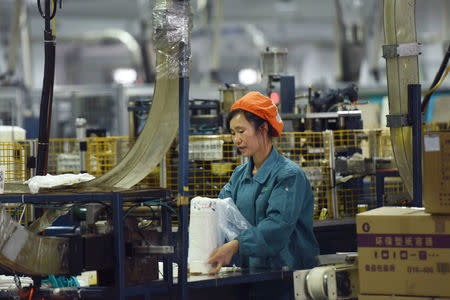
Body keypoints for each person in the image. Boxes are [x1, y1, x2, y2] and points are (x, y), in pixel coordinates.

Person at [208, 91, 319, 279]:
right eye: (233, 133)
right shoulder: (239, 176)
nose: (236, 140)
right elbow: (220, 209)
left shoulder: (288, 176)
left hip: (287, 278)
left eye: (241, 131)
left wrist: (235, 246)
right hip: (251, 277)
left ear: (263, 129)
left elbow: (277, 226)